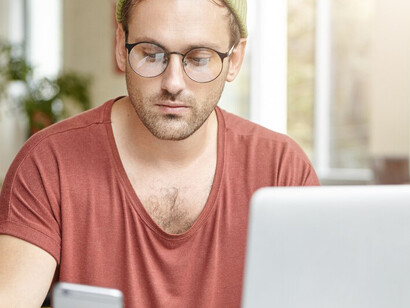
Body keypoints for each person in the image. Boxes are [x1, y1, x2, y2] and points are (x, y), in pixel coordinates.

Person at [0, 0, 319, 306]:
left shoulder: (282, 170)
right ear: (120, 47)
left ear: (234, 60)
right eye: (151, 54)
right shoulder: (48, 164)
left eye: (199, 58)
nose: (173, 83)